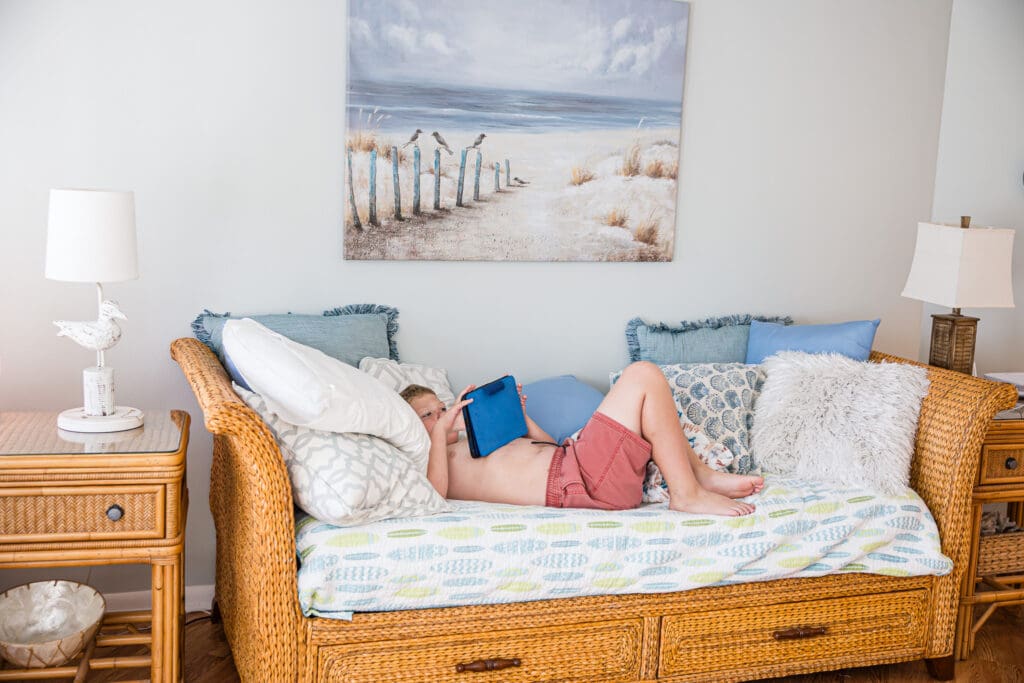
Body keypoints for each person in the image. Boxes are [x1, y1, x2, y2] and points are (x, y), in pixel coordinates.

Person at [401, 362, 763, 517]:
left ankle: (697, 476)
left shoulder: (470, 442)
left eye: (442, 407)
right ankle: (686, 493)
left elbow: (547, 450)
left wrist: (524, 420)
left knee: (648, 394)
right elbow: (435, 496)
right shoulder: (433, 462)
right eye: (428, 415)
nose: (441, 416)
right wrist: (436, 437)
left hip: (574, 466)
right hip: (578, 483)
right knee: (642, 375)